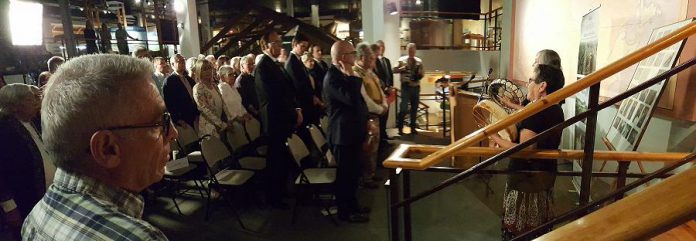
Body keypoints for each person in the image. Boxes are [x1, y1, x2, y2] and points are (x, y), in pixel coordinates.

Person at [21, 54, 173, 240]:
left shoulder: (36, 216)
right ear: (107, 149)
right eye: (159, 123)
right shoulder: (137, 237)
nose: (173, 133)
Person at [488, 64, 565, 240]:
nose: (527, 83)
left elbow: (524, 149)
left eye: (531, 80)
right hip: (545, 175)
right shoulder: (555, 108)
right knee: (540, 226)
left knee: (521, 229)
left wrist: (494, 136)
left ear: (542, 86)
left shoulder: (536, 111)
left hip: (526, 181)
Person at [323, 40, 370, 223]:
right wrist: (350, 74)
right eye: (352, 53)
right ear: (343, 57)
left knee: (353, 174)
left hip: (351, 132)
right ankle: (345, 212)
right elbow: (351, 99)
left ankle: (353, 206)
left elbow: (359, 102)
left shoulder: (341, 75)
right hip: (342, 135)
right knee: (345, 176)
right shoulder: (332, 78)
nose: (355, 57)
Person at [255, 31, 302, 208]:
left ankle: (281, 191)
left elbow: (288, 90)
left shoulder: (274, 64)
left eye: (280, 42)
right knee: (275, 161)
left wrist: (296, 109)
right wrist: (292, 112)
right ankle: (273, 198)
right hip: (274, 121)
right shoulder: (263, 67)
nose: (280, 46)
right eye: (276, 42)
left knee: (281, 159)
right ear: (266, 45)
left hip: (281, 119)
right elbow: (275, 97)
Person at [0, 84, 51, 240]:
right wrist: (9, 206)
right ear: (16, 105)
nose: (36, 102)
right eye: (30, 99)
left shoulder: (34, 120)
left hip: (45, 195)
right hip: (24, 198)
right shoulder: (4, 129)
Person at [353, 43, 387, 189]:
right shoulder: (356, 73)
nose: (374, 61)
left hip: (376, 113)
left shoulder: (369, 72)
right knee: (368, 148)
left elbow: (379, 88)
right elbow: (365, 99)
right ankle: (366, 177)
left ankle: (371, 173)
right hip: (369, 116)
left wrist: (384, 104)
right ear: (362, 57)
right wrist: (380, 109)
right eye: (371, 58)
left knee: (374, 147)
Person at [286, 34, 320, 128]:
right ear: (295, 44)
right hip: (301, 103)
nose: (305, 49)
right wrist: (310, 97)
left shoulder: (297, 60)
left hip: (307, 101)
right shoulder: (291, 63)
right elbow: (297, 86)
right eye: (302, 46)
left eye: (306, 46)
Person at [193, 59, 232, 138]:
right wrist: (220, 124)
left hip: (221, 122)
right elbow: (204, 110)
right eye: (204, 69)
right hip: (209, 127)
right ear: (199, 71)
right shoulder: (198, 88)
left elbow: (223, 103)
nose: (208, 71)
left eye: (209, 68)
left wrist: (229, 118)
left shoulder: (214, 85)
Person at [163, 54, 200, 130]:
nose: (183, 63)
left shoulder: (188, 79)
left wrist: (197, 113)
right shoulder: (169, 81)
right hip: (182, 120)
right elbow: (169, 102)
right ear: (172, 64)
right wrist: (177, 119)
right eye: (180, 61)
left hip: (194, 116)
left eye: (184, 60)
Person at [393, 43, 423, 135]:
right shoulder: (401, 60)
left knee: (415, 108)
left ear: (415, 51)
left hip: (416, 87)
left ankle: (413, 128)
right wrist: (401, 69)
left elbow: (423, 73)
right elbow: (394, 70)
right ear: (407, 50)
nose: (411, 52)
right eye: (410, 50)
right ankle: (400, 128)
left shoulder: (419, 61)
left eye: (413, 50)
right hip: (405, 87)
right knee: (403, 108)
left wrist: (419, 75)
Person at [372, 40, 395, 143]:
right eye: (380, 46)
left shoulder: (387, 60)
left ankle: (384, 134)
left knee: (386, 114)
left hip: (388, 91)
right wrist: (384, 88)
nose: (382, 48)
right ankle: (381, 137)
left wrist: (390, 86)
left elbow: (390, 75)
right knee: (380, 115)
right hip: (379, 92)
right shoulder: (374, 61)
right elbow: (377, 77)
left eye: (383, 46)